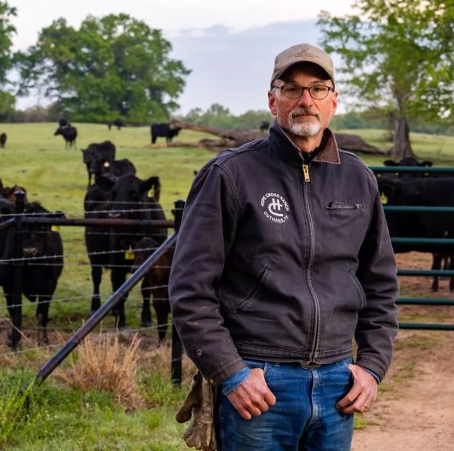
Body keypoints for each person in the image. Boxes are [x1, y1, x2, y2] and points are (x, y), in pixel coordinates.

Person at [168, 43, 399, 450]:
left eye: (318, 89)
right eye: (291, 89)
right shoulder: (230, 174)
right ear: (272, 100)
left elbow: (380, 283)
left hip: (337, 384)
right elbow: (190, 288)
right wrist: (231, 372)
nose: (305, 100)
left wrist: (372, 366)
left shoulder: (358, 178)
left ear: (333, 101)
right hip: (259, 384)